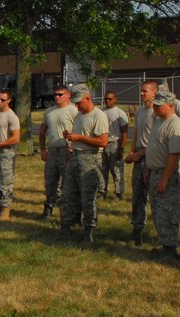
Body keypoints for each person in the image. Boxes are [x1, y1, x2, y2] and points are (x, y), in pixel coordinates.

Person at [58, 84, 109, 243]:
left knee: (88, 197)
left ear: (88, 98)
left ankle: (88, 232)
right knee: (67, 194)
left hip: (90, 160)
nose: (77, 105)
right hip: (75, 157)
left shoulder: (98, 116)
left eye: (79, 102)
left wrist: (80, 138)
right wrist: (71, 138)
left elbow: (103, 141)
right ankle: (66, 227)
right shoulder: (79, 116)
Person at [144, 87, 180, 258]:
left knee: (168, 212)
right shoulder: (158, 120)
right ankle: (164, 244)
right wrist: (148, 170)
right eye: (154, 105)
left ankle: (170, 249)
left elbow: (174, 155)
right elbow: (152, 147)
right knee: (158, 211)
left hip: (167, 174)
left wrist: (165, 178)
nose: (155, 108)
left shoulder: (175, 124)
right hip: (155, 172)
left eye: (159, 105)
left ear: (170, 105)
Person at [124, 80, 158, 245]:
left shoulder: (156, 114)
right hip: (138, 156)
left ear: (154, 93)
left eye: (145, 91)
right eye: (141, 91)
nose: (142, 94)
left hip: (151, 157)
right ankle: (137, 230)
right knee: (137, 196)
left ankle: (160, 235)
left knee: (155, 198)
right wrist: (132, 153)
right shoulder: (140, 113)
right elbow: (137, 135)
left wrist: (140, 154)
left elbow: (156, 141)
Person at [36, 85, 77, 220]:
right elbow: (42, 131)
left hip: (67, 151)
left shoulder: (73, 111)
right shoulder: (49, 111)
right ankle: (48, 209)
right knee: (50, 182)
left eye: (60, 94)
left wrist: (73, 148)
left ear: (68, 95)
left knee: (68, 183)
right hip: (52, 152)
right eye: (55, 95)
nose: (57, 97)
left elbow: (79, 132)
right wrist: (42, 149)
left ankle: (68, 212)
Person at [0, 90, 21, 220]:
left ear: (9, 101)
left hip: (6, 153)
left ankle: (6, 210)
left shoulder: (12, 116)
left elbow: (16, 138)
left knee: (6, 182)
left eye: (3, 100)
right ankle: (0, 206)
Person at [100, 91, 129, 200]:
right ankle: (102, 191)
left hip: (115, 143)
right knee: (103, 169)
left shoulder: (119, 113)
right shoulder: (101, 112)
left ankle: (119, 193)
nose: (107, 101)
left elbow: (125, 132)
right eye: (106, 99)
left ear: (115, 99)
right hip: (103, 144)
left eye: (110, 99)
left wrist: (121, 149)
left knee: (116, 170)